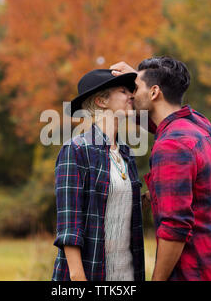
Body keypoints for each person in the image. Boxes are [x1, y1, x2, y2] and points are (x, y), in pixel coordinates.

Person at [110, 57, 211, 281]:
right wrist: (140, 79)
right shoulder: (198, 123)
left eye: (135, 88)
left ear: (155, 92)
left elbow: (174, 228)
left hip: (193, 271)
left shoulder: (171, 145)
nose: (130, 94)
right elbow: (157, 119)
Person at [51, 69, 145, 281]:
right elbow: (69, 227)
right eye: (123, 90)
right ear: (102, 101)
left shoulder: (126, 153)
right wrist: (78, 279)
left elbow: (116, 205)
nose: (131, 95)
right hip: (91, 275)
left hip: (127, 275)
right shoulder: (76, 150)